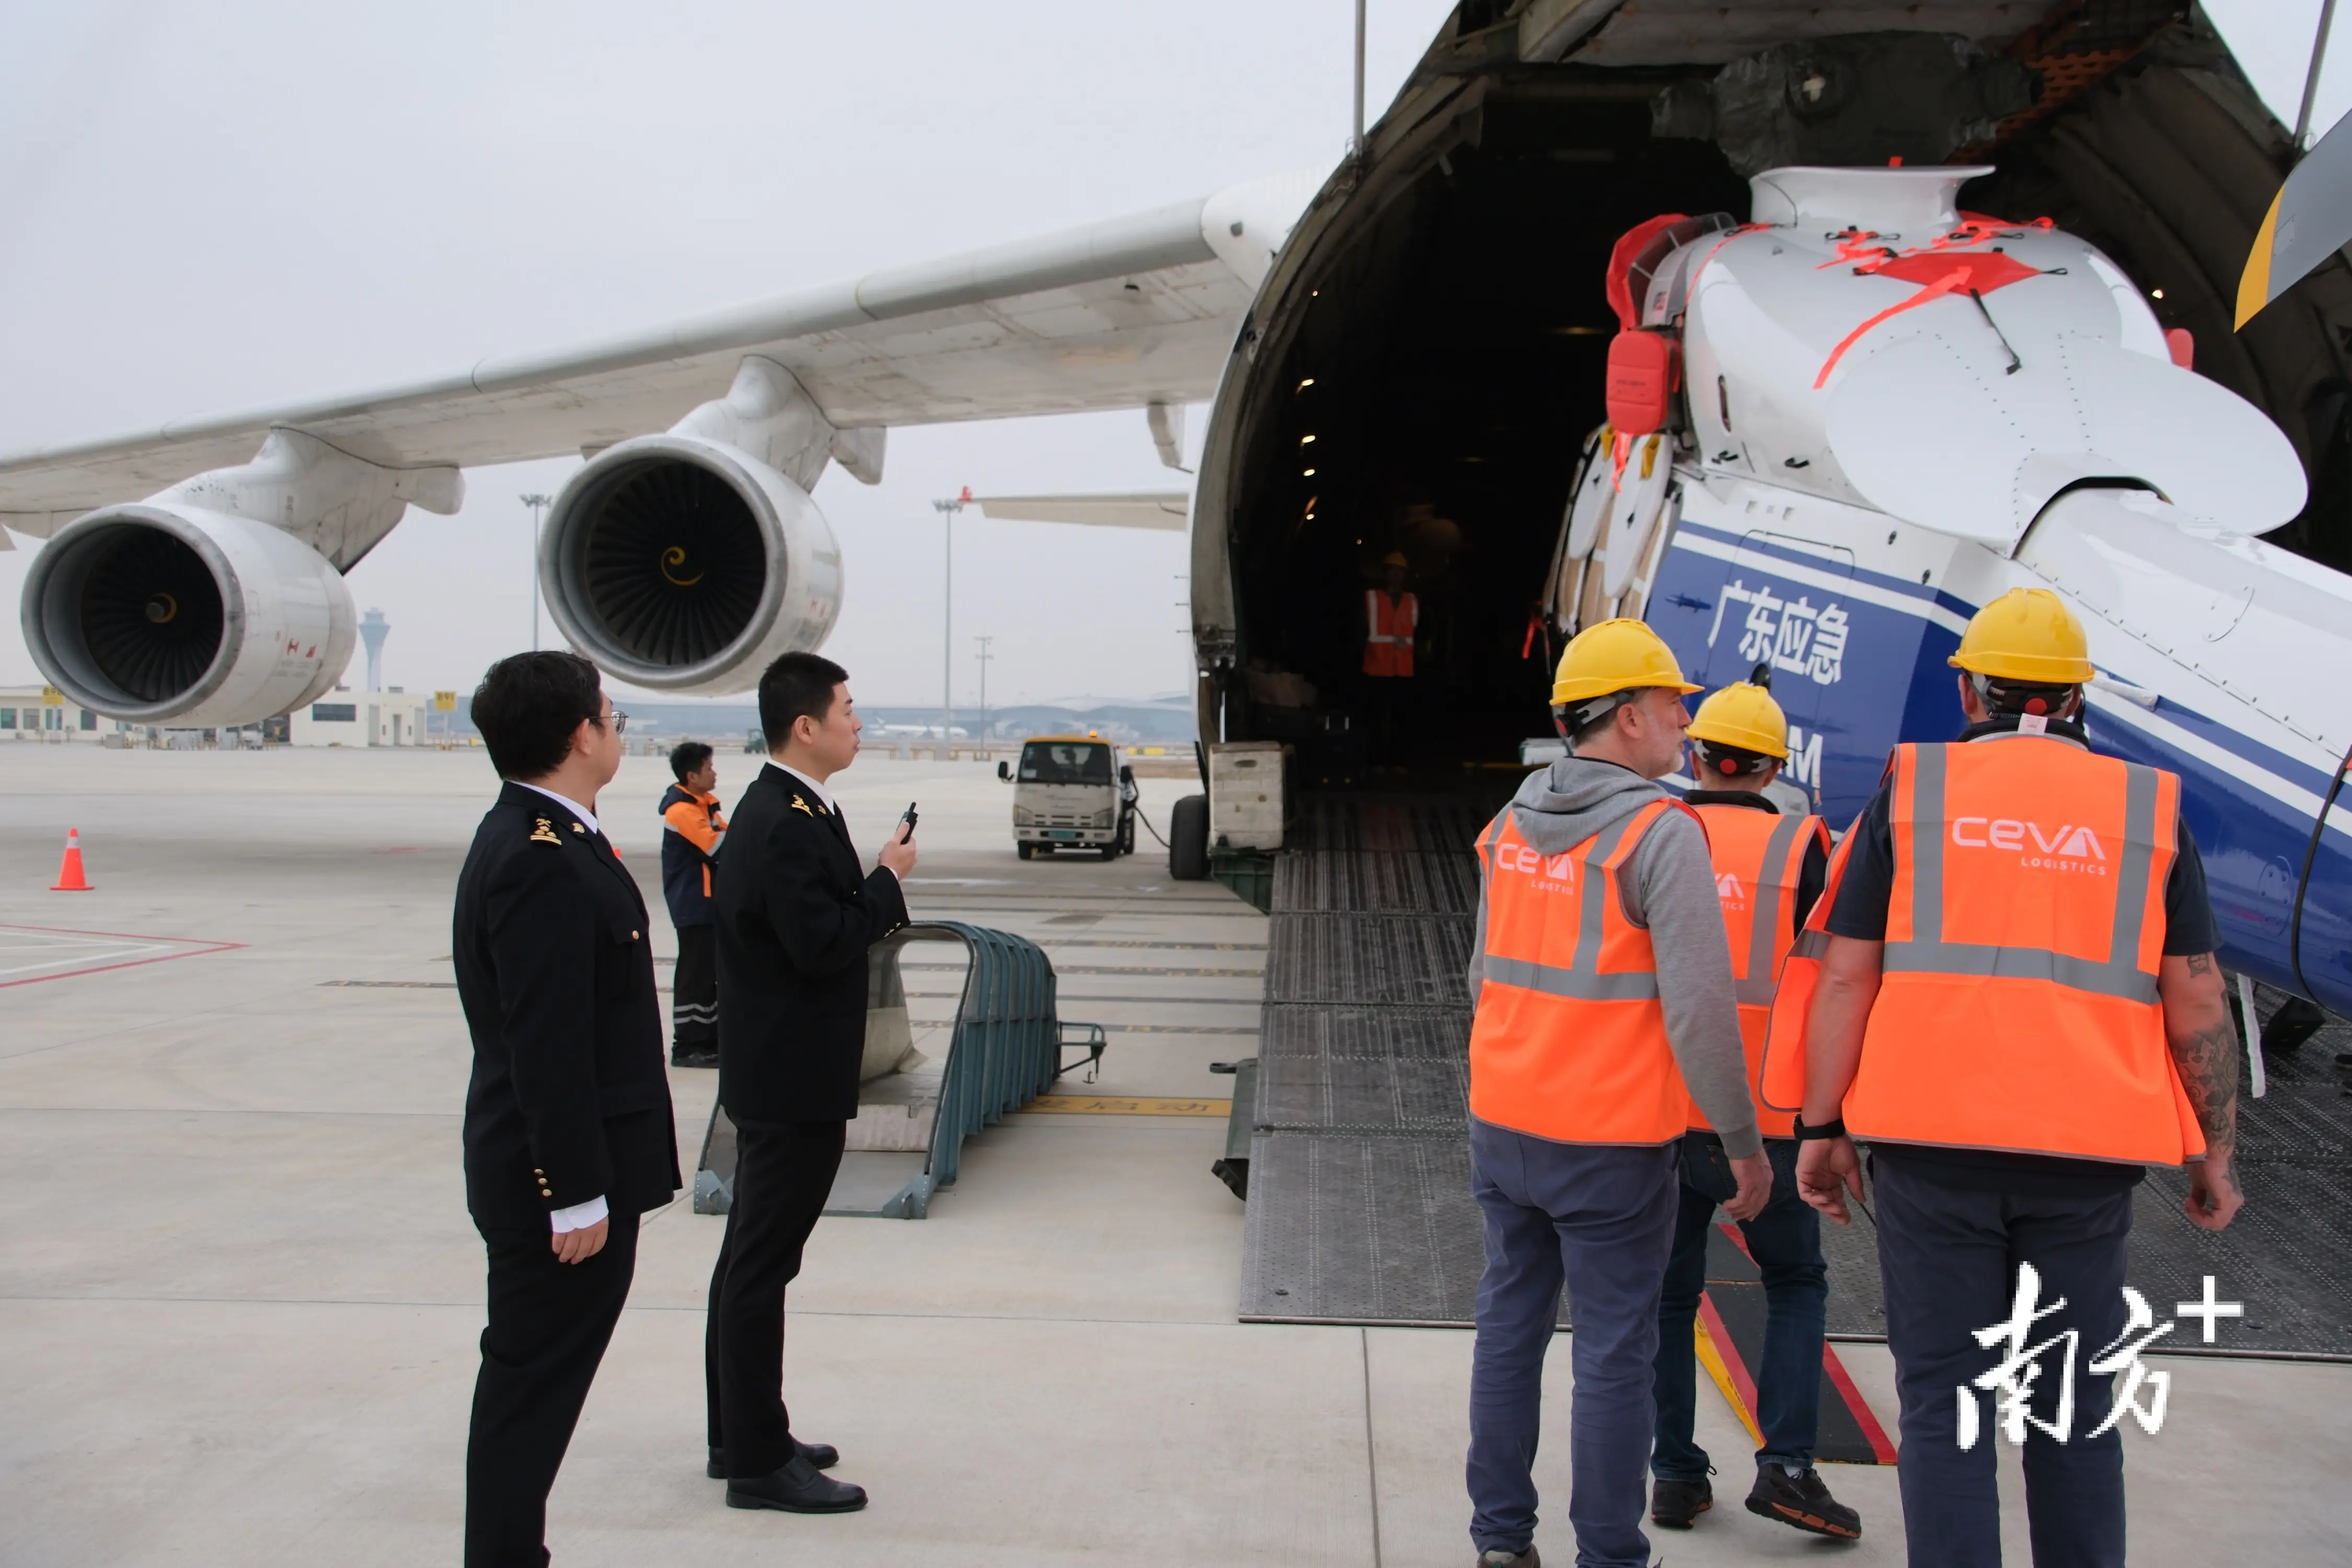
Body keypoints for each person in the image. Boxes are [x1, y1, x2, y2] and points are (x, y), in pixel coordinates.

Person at [1788, 587, 2243, 1568]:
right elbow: (2199, 1002)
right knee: (2075, 1405)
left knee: (1945, 1404)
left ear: (1968, 691)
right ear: (2079, 701)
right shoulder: (2147, 810)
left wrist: (1819, 1127)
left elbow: (1845, 973)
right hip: (2086, 1162)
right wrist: (2213, 1150)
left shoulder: (1914, 791)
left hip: (1931, 1149)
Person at [1464, 618, 1772, 1568]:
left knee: (1509, 1331)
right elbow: (1699, 1012)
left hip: (1503, 1123)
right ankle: (1608, 1552)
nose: (1686, 721)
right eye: (1674, 703)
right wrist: (1744, 1143)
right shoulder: (1659, 832)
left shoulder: (1512, 820)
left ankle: (1500, 1540)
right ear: (1631, 717)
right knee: (1612, 1352)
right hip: (1607, 1141)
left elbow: (1481, 978)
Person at [451, 651, 679, 1567]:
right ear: (580, 735)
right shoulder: (538, 857)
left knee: (536, 1389)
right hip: (559, 1191)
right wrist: (575, 1191)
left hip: (571, 1177)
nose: (618, 727)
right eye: (611, 714)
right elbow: (546, 1042)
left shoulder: (557, 836)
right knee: (529, 1392)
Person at [1645, 673, 1859, 1540]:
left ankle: (1673, 1474)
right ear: (1775, 770)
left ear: (1695, 755)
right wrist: (1835, 1118)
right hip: (1769, 1119)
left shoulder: (1656, 833)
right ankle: (1788, 1469)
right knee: (1795, 1280)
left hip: (1663, 1108)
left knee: (1668, 1296)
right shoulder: (1809, 848)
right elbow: (1839, 981)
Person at [705, 651, 916, 1514]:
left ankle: (743, 1433)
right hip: (790, 1083)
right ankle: (757, 1460)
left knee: (753, 1264)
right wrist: (887, 884)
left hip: (783, 1074)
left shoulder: (793, 808)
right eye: (847, 709)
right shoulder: (785, 819)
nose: (856, 722)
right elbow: (822, 941)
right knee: (760, 1267)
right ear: (806, 727)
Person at [659, 741, 727, 1067]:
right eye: (709, 767)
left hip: (707, 904)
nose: (714, 773)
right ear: (692, 775)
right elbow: (717, 849)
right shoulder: (683, 812)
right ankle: (687, 1045)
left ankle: (709, 1039)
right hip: (693, 904)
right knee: (695, 975)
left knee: (708, 973)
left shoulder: (704, 807)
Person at [1363, 550, 1418, 760]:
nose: (1396, 575)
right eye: (1392, 571)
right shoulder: (1371, 598)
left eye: (1400, 571)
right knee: (1375, 718)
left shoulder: (1412, 601)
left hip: (1403, 668)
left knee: (1400, 719)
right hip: (1376, 667)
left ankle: (1398, 760)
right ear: (1385, 574)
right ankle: (1376, 760)